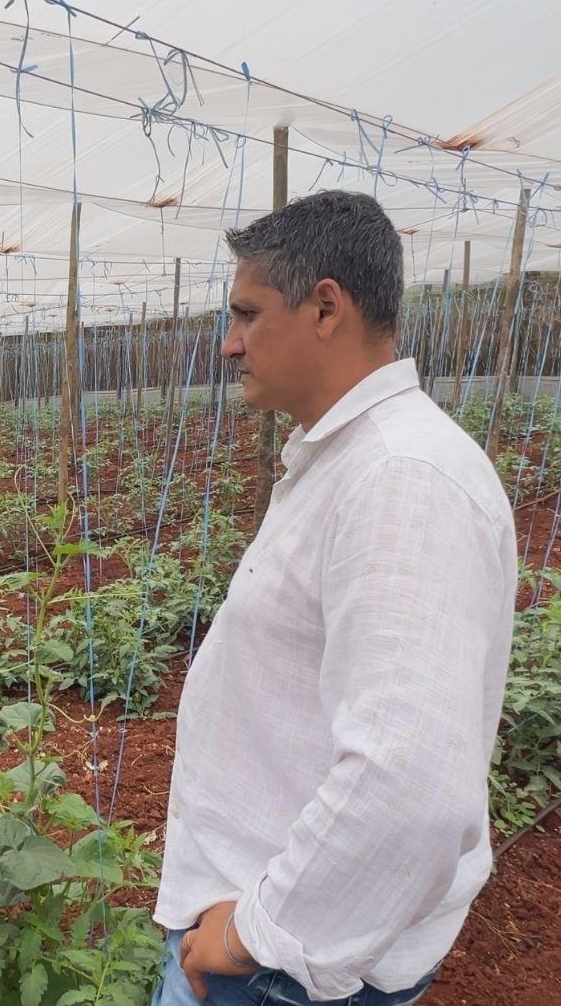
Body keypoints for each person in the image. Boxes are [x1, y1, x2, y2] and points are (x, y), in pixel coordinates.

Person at [152, 190, 516, 1005]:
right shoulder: (354, 462)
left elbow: (411, 781)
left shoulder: (400, 478)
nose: (228, 344)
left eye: (246, 314)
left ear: (325, 308)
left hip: (286, 972)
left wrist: (255, 935)